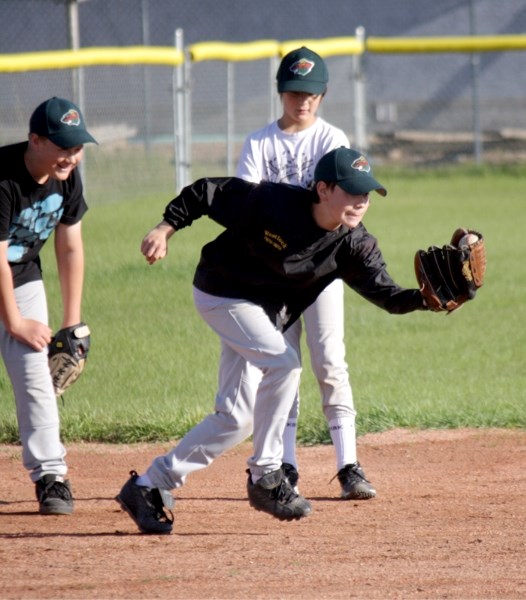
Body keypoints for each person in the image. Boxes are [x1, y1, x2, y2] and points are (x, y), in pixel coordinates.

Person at [116, 147, 428, 534]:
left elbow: (388, 295)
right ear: (323, 189)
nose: (361, 202)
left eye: (366, 193)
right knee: (284, 363)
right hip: (221, 292)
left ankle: (148, 485)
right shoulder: (272, 202)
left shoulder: (353, 244)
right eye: (352, 191)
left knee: (235, 418)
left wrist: (428, 299)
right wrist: (166, 227)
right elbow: (205, 193)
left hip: (262, 314)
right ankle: (266, 475)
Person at [236, 46, 375, 499]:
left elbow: (344, 205)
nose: (304, 101)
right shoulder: (259, 143)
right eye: (296, 91)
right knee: (284, 366)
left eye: (312, 93)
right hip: (273, 271)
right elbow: (250, 206)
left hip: (323, 269)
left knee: (330, 360)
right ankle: (287, 464)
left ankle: (349, 465)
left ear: (324, 94)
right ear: (282, 92)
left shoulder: (332, 137)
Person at [0, 97, 97, 515]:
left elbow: (70, 245)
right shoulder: (3, 180)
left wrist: (70, 323)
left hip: (21, 277)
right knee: (27, 344)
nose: (71, 157)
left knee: (35, 372)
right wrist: (15, 322)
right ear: (34, 140)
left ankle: (51, 475)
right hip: (4, 272)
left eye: (76, 147)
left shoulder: (67, 177)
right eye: (62, 146)